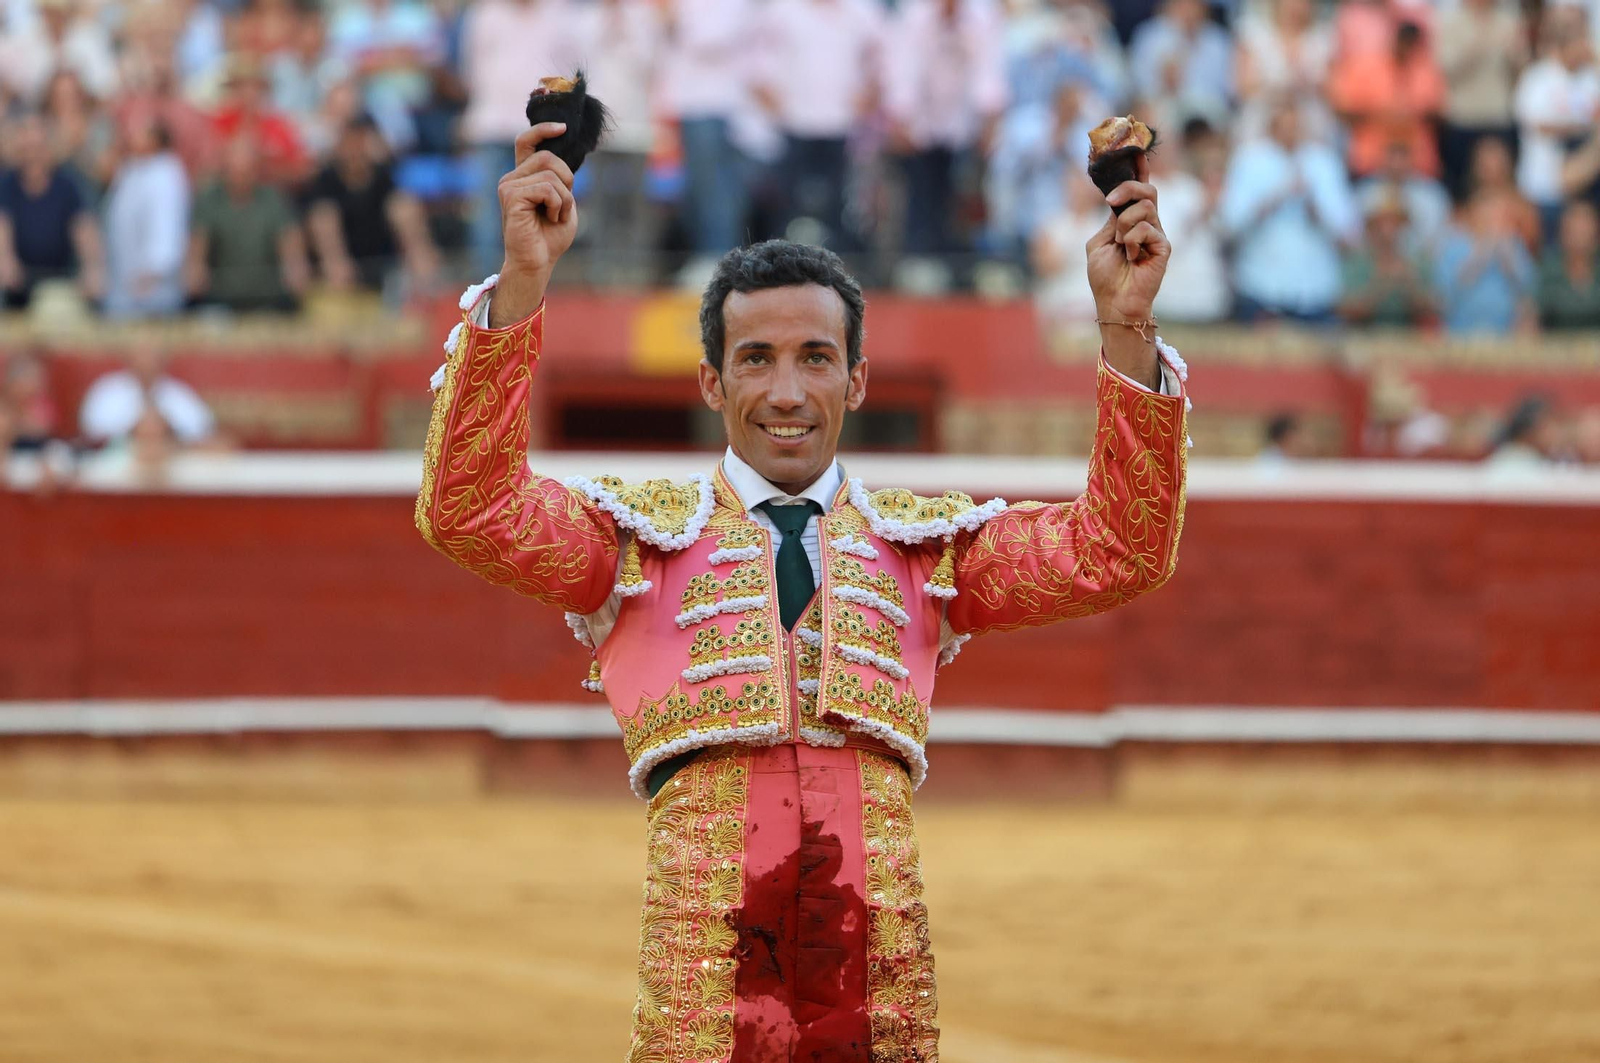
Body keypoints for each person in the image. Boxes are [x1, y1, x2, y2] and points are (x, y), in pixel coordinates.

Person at [416, 120, 1190, 1059]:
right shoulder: (638, 543)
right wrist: (525, 287)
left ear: (857, 380)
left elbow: (1117, 547)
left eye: (816, 358)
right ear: (711, 380)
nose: (787, 390)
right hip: (704, 996)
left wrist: (1125, 324)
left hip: (875, 984)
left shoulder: (922, 550)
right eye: (757, 359)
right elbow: (469, 507)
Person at [883, 0, 1008, 266]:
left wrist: (988, 120)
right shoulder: (913, 15)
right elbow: (903, 69)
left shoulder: (982, 17)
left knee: (958, 198)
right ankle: (916, 261)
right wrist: (902, 117)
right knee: (920, 193)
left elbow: (988, 71)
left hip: (964, 123)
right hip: (921, 122)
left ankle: (956, 264)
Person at [752, 0, 884, 251]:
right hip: (793, 125)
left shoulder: (862, 12)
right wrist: (776, 106)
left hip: (842, 126)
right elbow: (759, 65)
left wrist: (868, 95)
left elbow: (879, 62)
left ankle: (839, 266)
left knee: (839, 206)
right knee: (788, 204)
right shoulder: (781, 11)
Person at [1219, 94, 1359, 323]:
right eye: (1284, 126)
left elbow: (1349, 233)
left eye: (1296, 126)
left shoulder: (1324, 162)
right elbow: (1230, 224)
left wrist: (1316, 209)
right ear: (1271, 126)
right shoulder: (1250, 160)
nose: (1291, 132)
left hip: (1315, 289)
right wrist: (1275, 199)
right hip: (1261, 285)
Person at [305, 115, 439, 295]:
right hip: (345, 252)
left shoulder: (382, 175)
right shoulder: (327, 179)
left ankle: (424, 274)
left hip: (382, 246)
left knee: (404, 206)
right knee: (323, 216)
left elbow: (400, 204)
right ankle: (339, 280)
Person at [185, 135, 310, 313]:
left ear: (257, 171)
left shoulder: (273, 199)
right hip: (221, 296)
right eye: (234, 171)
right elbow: (198, 243)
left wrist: (295, 268)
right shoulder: (209, 200)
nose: (239, 178)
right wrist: (195, 268)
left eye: (246, 172)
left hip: (268, 295)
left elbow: (289, 240)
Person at [0, 112, 105, 309]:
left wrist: (92, 269)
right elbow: (2, 228)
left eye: (38, 149)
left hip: (62, 282)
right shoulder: (6, 185)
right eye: (26, 151)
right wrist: (6, 261)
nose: (33, 157)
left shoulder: (68, 185)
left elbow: (85, 230)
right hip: (17, 287)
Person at [1513, 6, 1600, 237]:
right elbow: (1538, 125)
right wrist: (1583, 127)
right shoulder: (1538, 77)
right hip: (1544, 184)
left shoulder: (1591, 78)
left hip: (1586, 183)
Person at [1328, 18, 1447, 180]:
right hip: (1371, 162)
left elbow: (1440, 113)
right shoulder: (1366, 67)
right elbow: (1343, 110)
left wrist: (1412, 114)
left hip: (1418, 165)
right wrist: (1382, 114)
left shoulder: (1427, 69)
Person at [1434, 0, 1527, 203]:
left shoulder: (1509, 20)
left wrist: (1515, 55)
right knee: (1460, 190)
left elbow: (1521, 72)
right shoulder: (1450, 22)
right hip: (1462, 118)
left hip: (1498, 117)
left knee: (1502, 186)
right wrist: (1481, 42)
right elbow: (1446, 70)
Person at [102, 117, 190, 319]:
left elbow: (168, 224)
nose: (133, 137)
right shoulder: (131, 170)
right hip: (124, 279)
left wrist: (154, 269)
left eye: (141, 133)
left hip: (153, 286)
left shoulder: (167, 173)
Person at [1434, 188, 1538, 335]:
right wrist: (1482, 254)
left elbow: (1527, 291)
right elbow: (1445, 296)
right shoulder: (1453, 245)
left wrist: (1508, 259)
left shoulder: (1513, 244)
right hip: (1460, 333)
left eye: (1498, 213)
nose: (1492, 218)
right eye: (1487, 211)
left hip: (1505, 335)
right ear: (1473, 212)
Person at [78, 346, 216, 447]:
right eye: (141, 359)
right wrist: (134, 429)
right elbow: (92, 428)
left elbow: (202, 428)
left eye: (152, 360)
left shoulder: (179, 392)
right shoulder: (107, 389)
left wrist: (167, 428)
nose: (147, 365)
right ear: (129, 362)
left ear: (163, 363)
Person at [1339, 193, 1435, 328]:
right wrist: (1381, 284)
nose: (1388, 231)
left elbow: (1433, 307)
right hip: (1366, 338)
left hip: (1407, 338)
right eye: (1381, 223)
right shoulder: (1357, 261)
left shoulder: (1417, 261)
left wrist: (1409, 283)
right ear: (1371, 227)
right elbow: (1346, 309)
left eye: (1395, 223)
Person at [1357, 138, 1453, 258]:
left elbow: (1438, 235)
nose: (1397, 166)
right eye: (1392, 159)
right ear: (1382, 160)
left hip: (1420, 260)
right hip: (1372, 261)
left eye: (1402, 159)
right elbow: (1357, 233)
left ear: (1411, 161)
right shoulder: (1365, 193)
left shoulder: (1431, 195)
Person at [1539, 199, 1600, 329]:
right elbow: (1530, 318)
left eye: (1585, 230)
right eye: (1574, 231)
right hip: (1555, 346)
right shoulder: (1548, 270)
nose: (1580, 236)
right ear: (1562, 234)